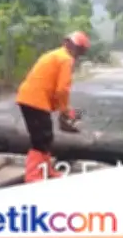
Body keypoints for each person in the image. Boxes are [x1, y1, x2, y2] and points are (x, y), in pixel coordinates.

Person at [16, 31, 90, 183]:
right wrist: (64, 111)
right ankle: (33, 176)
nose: (78, 54)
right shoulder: (65, 59)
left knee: (46, 136)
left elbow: (54, 87)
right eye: (79, 50)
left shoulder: (55, 55)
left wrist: (63, 110)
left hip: (32, 99)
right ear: (75, 47)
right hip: (34, 100)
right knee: (40, 138)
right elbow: (62, 89)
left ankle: (46, 169)